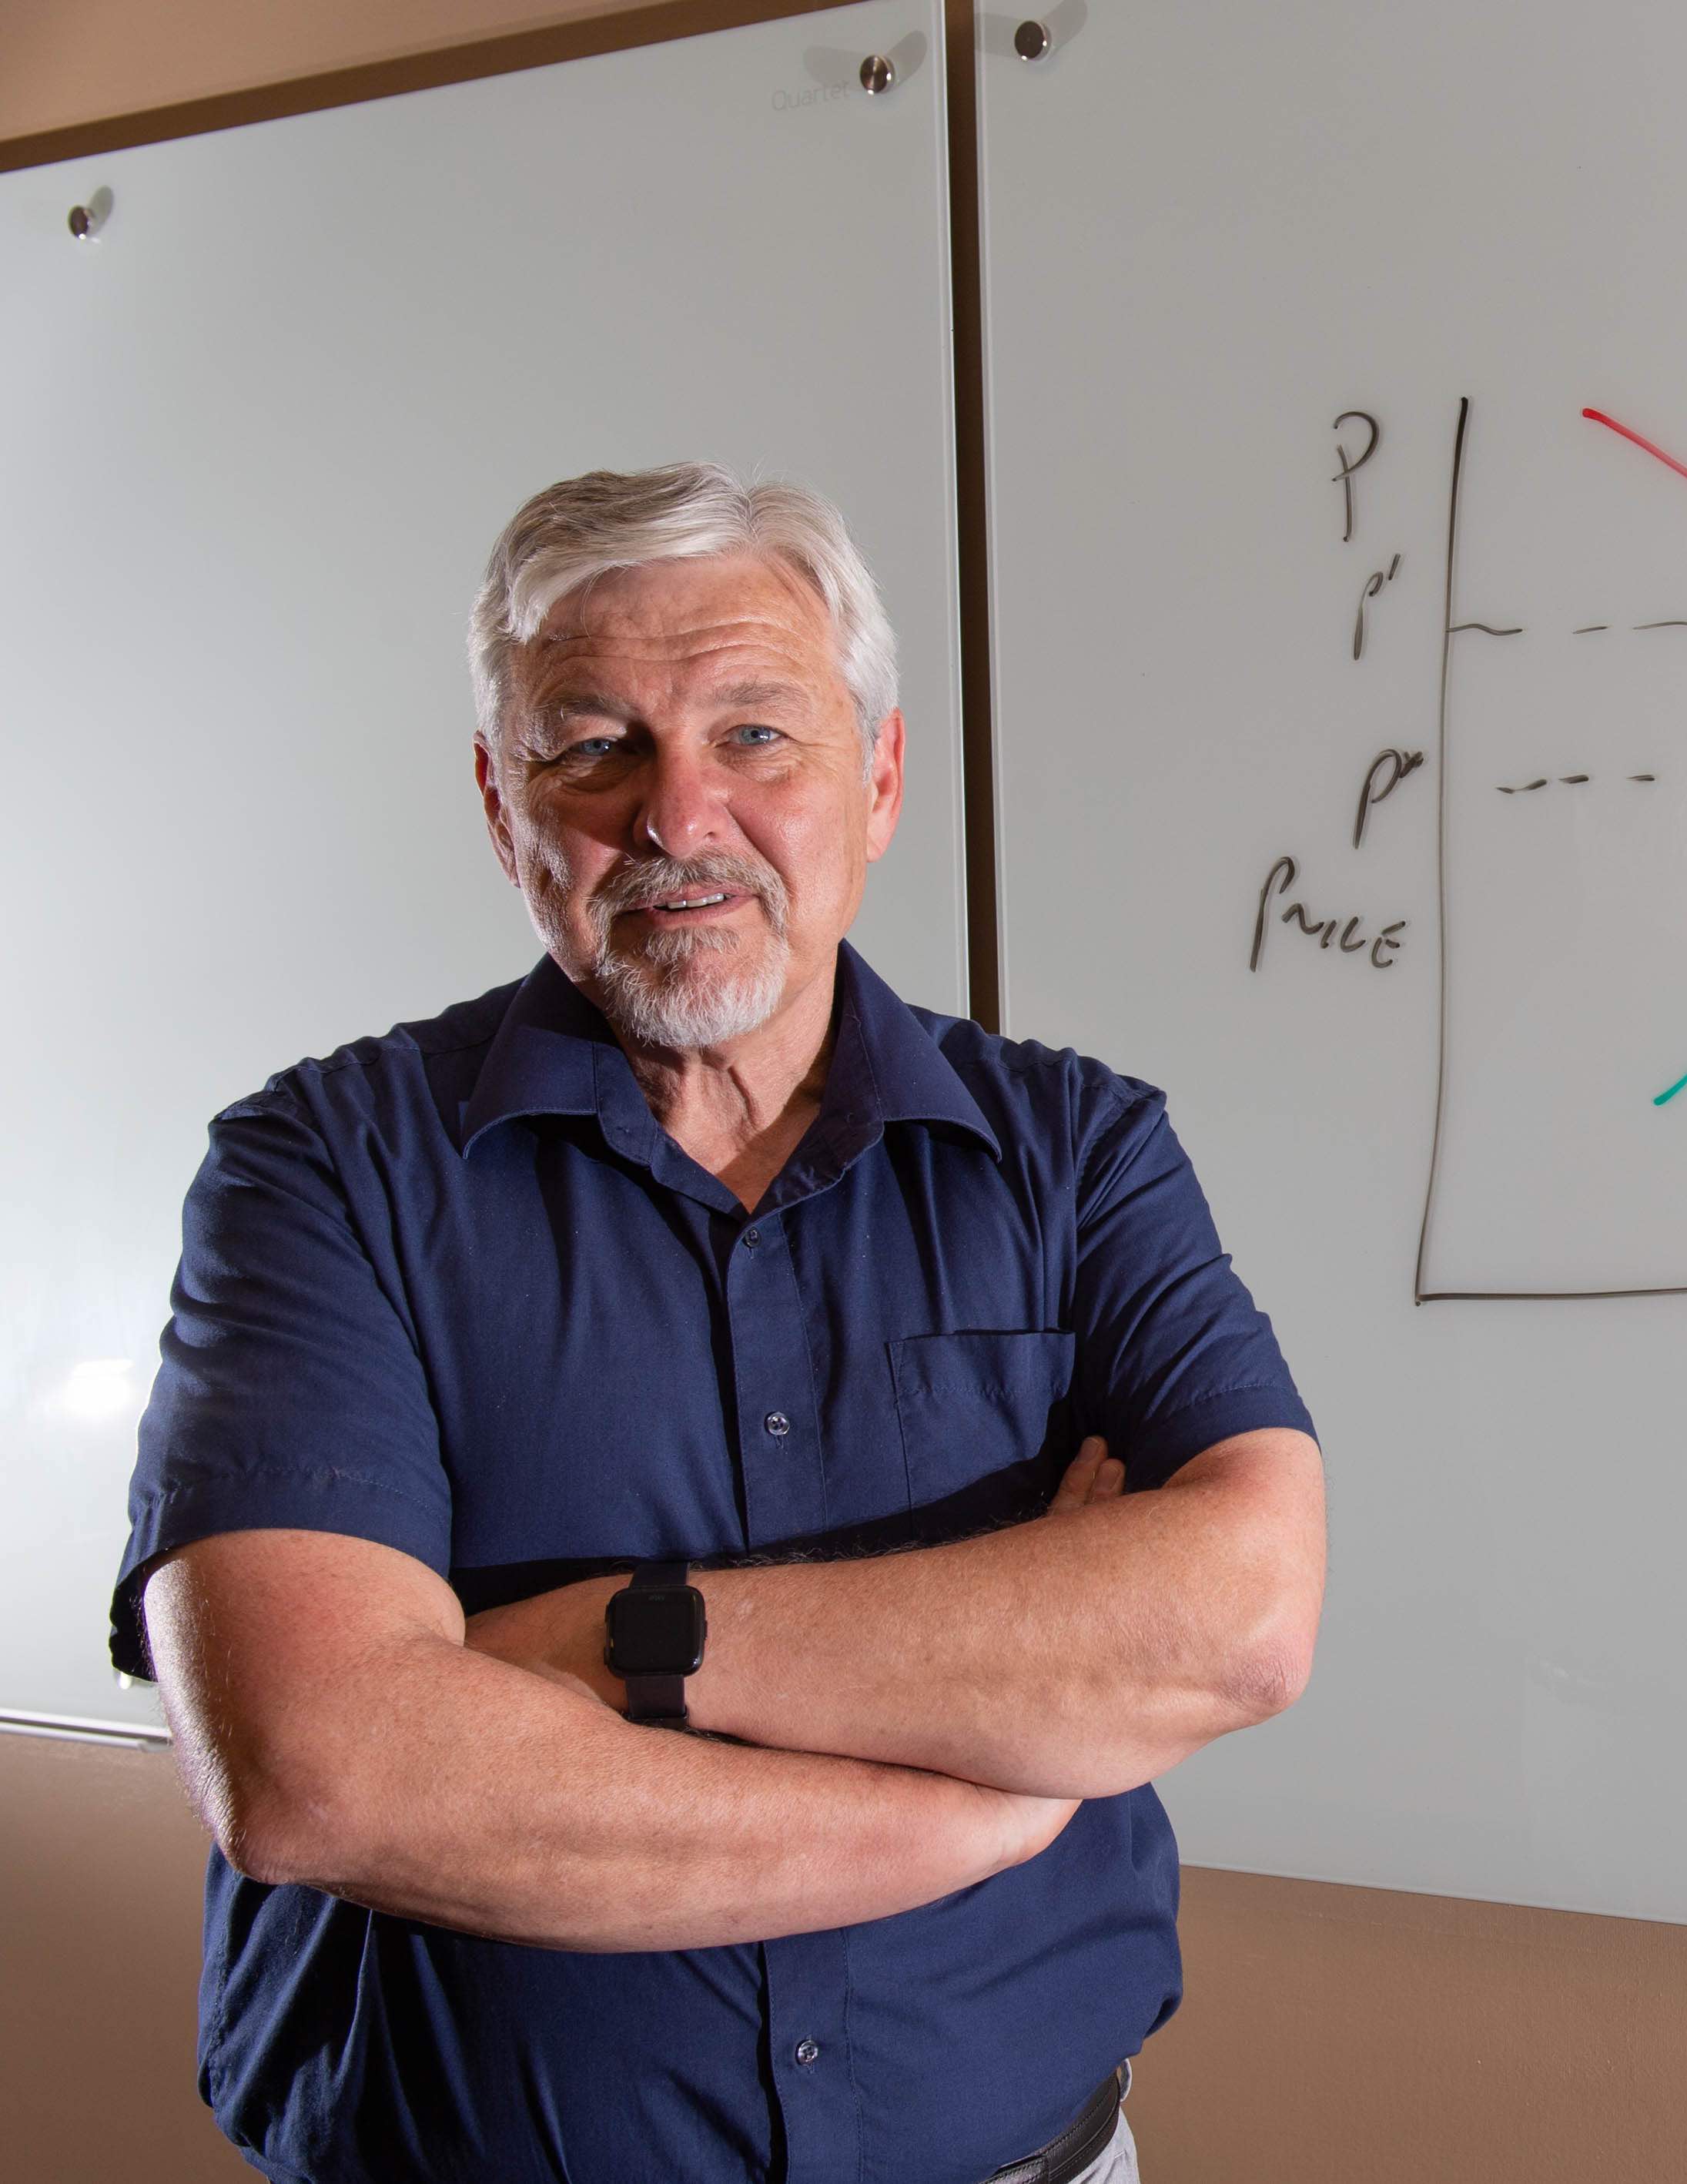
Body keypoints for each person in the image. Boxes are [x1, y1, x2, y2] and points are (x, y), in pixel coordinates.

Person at [111, 464, 1326, 2184]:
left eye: (755, 734)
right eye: (593, 745)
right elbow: (324, 1769)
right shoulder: (322, 1171)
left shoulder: (1078, 1153)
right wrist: (984, 1805)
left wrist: (610, 1642)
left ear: (878, 779)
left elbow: (1243, 1620)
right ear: (502, 803)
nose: (679, 814)